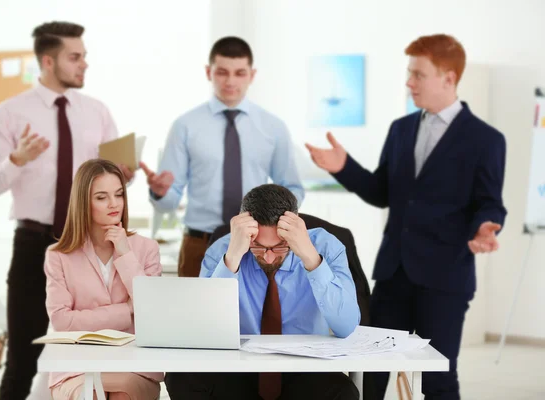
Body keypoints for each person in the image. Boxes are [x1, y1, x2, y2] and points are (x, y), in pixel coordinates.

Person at [306, 34, 507, 400]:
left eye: (418, 74)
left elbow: (489, 201)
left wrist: (486, 225)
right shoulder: (401, 129)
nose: (408, 82)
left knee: (437, 379)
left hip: (445, 279)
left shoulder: (486, 139)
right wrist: (344, 168)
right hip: (394, 273)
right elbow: (382, 192)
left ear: (448, 78)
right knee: (369, 371)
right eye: (409, 73)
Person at [0, 21, 133, 398]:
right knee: (22, 360)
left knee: (97, 350)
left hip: (87, 243)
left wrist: (128, 173)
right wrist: (16, 159)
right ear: (48, 61)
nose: (84, 65)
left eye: (84, 56)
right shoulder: (9, 113)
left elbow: (116, 177)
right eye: (74, 57)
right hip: (34, 243)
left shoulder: (96, 111)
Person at [165, 184, 360, 400]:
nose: (268, 257)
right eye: (258, 246)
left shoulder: (326, 247)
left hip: (304, 368)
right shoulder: (221, 251)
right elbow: (202, 328)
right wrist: (232, 259)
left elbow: (346, 325)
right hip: (239, 369)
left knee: (344, 392)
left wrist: (310, 258)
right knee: (180, 377)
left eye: (279, 247)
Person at [140, 36, 304, 278]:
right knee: (195, 315)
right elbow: (169, 203)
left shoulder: (273, 127)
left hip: (259, 245)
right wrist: (161, 192)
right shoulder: (185, 126)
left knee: (254, 316)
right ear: (209, 72)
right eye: (222, 72)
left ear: (252, 74)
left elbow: (292, 189)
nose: (230, 81)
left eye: (239, 73)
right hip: (200, 243)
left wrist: (271, 226)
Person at [44, 159, 163, 399]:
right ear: (83, 203)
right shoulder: (58, 255)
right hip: (76, 368)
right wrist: (126, 310)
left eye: (119, 195)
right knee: (90, 395)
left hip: (133, 366)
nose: (114, 204)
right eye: (101, 197)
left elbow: (151, 311)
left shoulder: (146, 249)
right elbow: (62, 322)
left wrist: (125, 253)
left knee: (123, 395)